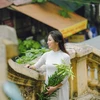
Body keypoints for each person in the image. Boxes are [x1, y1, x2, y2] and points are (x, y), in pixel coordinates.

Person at [25, 30, 71, 100]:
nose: (47, 42)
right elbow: (36, 66)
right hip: (48, 87)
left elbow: (66, 75)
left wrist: (55, 87)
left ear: (57, 42)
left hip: (60, 88)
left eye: (49, 40)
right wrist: (29, 67)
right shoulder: (46, 55)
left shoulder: (65, 56)